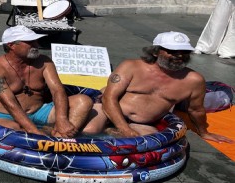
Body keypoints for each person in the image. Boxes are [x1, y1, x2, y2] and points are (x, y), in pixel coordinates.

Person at [82, 31, 233, 143]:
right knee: (88, 131)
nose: (179, 55)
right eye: (172, 51)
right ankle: (110, 130)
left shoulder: (193, 80)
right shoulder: (131, 66)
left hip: (142, 123)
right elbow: (109, 97)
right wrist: (124, 128)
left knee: (148, 142)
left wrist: (203, 132)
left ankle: (110, 131)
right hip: (108, 111)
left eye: (184, 51)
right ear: (155, 51)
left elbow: (196, 110)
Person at [0, 26, 93, 137]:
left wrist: (62, 119)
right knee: (13, 130)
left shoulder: (44, 62)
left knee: (83, 101)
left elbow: (57, 90)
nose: (36, 45)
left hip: (40, 111)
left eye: (35, 41)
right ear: (11, 45)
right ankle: (47, 135)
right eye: (30, 42)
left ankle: (59, 139)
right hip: (5, 115)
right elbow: (10, 104)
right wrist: (33, 131)